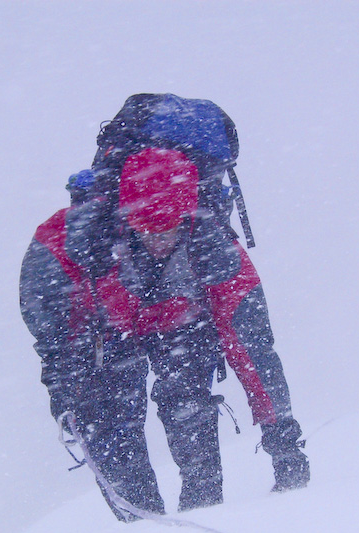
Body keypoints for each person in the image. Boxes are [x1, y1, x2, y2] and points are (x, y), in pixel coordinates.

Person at [63, 146, 310, 513]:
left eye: (168, 228)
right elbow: (87, 339)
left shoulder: (219, 258)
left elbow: (254, 355)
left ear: (188, 218)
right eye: (148, 229)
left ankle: (202, 501)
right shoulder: (104, 258)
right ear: (128, 221)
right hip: (127, 328)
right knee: (121, 411)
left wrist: (285, 447)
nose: (158, 240)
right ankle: (144, 519)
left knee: (184, 397)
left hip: (185, 324)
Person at [19, 170, 165, 521]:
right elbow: (145, 292)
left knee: (101, 442)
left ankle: (137, 520)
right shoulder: (126, 227)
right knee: (129, 435)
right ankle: (150, 518)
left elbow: (37, 309)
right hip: (123, 346)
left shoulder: (50, 236)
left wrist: (59, 366)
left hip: (75, 355)